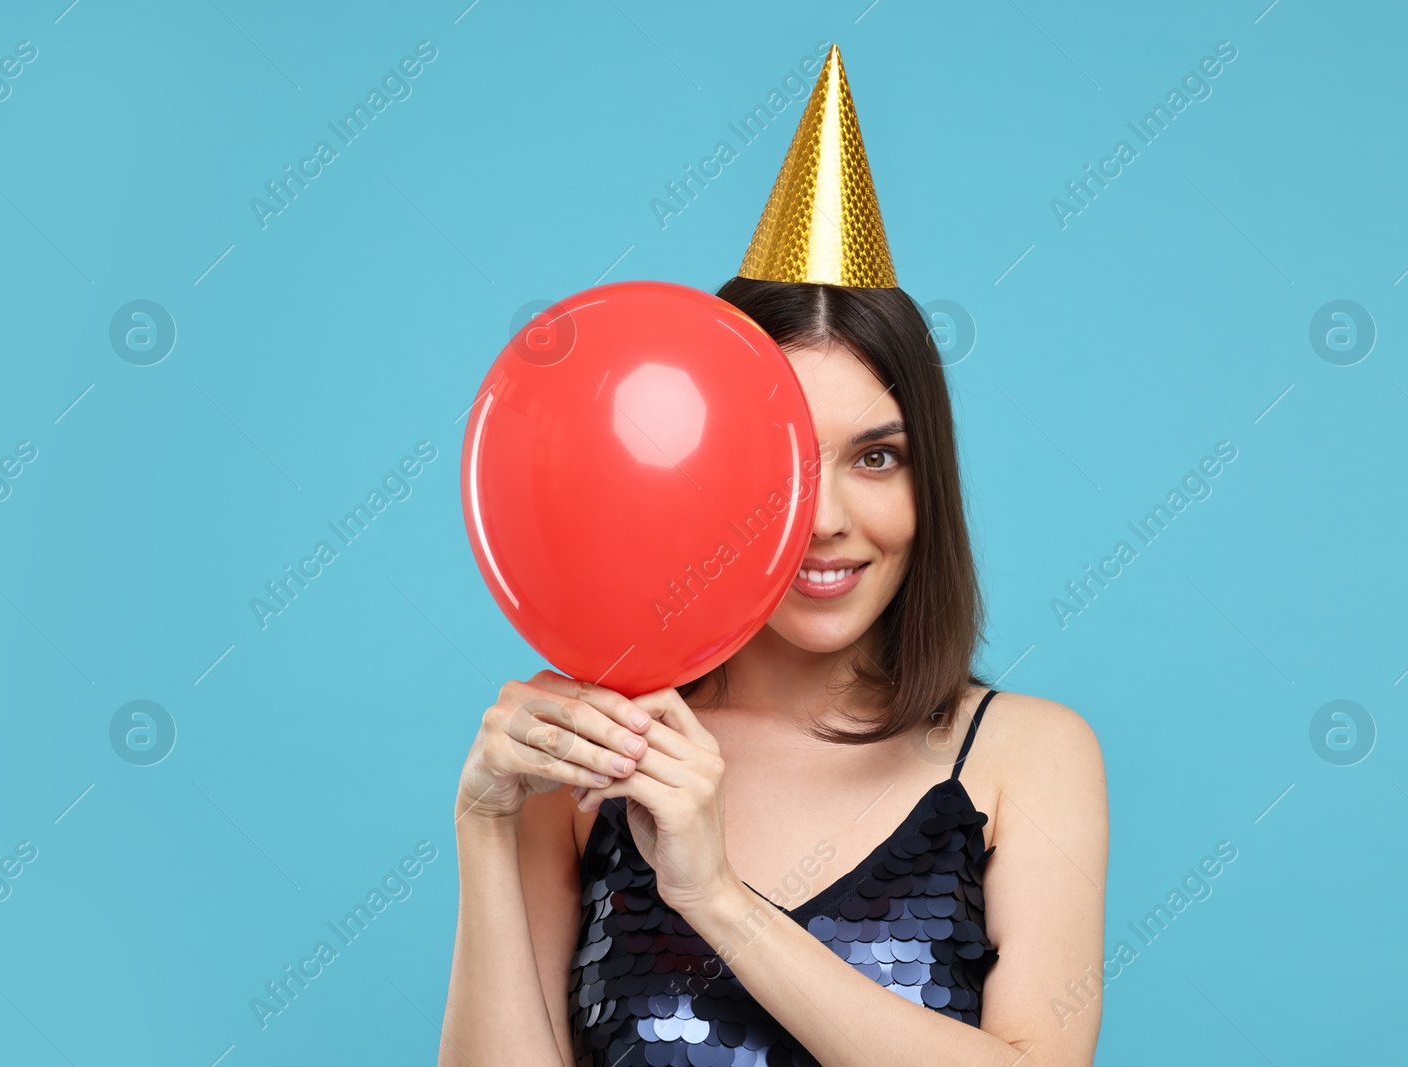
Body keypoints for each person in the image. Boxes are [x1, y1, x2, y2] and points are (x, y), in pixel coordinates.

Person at [441, 44, 1107, 1067]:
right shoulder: (586, 767)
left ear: (928, 481)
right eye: (781, 459)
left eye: (876, 457)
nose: (825, 518)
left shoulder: (1028, 755)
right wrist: (486, 825)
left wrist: (712, 896)